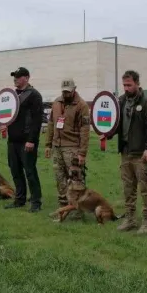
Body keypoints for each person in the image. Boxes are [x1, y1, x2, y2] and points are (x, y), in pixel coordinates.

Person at [105, 70, 147, 234]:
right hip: (126, 152)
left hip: (142, 154)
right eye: (124, 85)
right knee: (128, 188)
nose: (126, 88)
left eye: (129, 85)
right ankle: (130, 219)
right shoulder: (120, 101)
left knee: (145, 188)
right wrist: (108, 132)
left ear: (137, 83)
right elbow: (116, 124)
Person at [44, 78, 90, 221]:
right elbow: (51, 123)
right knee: (60, 179)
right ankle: (63, 210)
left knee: (76, 180)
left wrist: (82, 153)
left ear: (74, 89)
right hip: (57, 146)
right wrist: (48, 144)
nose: (66, 94)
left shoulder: (82, 105)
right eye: (64, 91)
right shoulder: (57, 103)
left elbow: (85, 130)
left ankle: (78, 212)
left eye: (68, 92)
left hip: (73, 148)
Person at [3, 67, 45, 212]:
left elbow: (37, 120)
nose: (15, 79)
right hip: (13, 140)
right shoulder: (13, 95)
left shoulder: (34, 95)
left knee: (30, 171)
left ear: (26, 78)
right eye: (14, 76)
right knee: (15, 170)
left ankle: (36, 202)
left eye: (18, 76)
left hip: (27, 140)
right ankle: (19, 199)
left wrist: (32, 140)